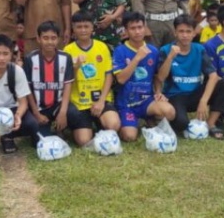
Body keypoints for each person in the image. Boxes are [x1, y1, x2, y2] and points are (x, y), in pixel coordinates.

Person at [157, 16, 224, 139]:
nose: (185, 35)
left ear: (194, 33)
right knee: (181, 124)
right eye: (181, 31)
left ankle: (211, 124)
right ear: (175, 32)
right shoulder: (166, 50)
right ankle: (164, 120)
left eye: (188, 31)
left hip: (195, 93)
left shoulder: (199, 49)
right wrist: (170, 57)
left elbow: (213, 76)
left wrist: (203, 101)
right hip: (175, 96)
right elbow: (160, 78)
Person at [112, 12, 176, 142]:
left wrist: (158, 92)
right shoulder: (120, 50)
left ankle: (150, 119)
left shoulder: (153, 50)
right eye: (133, 28)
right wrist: (137, 58)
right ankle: (134, 122)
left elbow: (158, 77)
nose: (137, 31)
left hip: (147, 101)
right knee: (129, 136)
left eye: (140, 27)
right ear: (126, 31)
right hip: (126, 103)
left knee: (170, 112)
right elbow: (121, 79)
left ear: (145, 27)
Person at [63, 12, 120, 146]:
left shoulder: (102, 47)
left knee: (113, 125)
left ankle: (100, 123)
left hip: (100, 99)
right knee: (83, 141)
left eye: (86, 26)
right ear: (73, 29)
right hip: (80, 102)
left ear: (92, 28)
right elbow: (66, 82)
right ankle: (85, 126)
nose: (83, 30)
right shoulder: (68, 50)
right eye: (79, 27)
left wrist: (101, 101)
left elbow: (108, 75)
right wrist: (76, 68)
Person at [23, 21, 76, 142]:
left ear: (58, 39)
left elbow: (67, 86)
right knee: (41, 141)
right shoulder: (30, 59)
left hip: (58, 105)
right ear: (38, 39)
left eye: (53, 38)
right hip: (38, 107)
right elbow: (28, 89)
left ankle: (62, 127)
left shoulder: (66, 58)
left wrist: (63, 112)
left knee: (74, 114)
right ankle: (46, 128)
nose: (50, 42)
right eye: (45, 38)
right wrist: (36, 114)